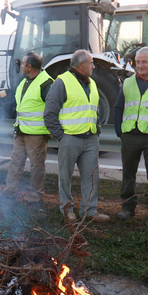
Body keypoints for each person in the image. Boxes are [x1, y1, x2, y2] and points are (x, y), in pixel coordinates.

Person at [43, 50, 109, 223]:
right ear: (81, 65)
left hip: (90, 138)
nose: (94, 66)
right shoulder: (62, 82)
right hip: (70, 138)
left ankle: (89, 211)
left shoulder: (92, 83)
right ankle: (67, 209)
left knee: (91, 176)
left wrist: (97, 128)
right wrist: (62, 137)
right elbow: (49, 113)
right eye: (91, 63)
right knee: (65, 177)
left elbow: (94, 108)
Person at [114, 46, 148, 224]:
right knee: (128, 174)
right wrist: (119, 131)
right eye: (137, 62)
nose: (140, 65)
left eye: (144, 62)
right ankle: (127, 208)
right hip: (130, 135)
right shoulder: (128, 82)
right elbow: (118, 107)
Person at [3, 51, 52, 200]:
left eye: (23, 64)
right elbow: (21, 106)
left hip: (36, 134)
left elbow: (53, 108)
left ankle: (36, 194)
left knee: (36, 165)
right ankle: (10, 190)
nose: (22, 66)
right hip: (21, 131)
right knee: (16, 162)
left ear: (29, 66)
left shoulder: (47, 83)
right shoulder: (24, 81)